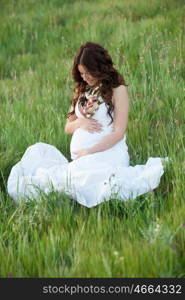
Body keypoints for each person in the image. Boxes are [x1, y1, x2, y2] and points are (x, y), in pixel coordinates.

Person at [7, 42, 168, 208]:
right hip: (83, 157)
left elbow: (119, 132)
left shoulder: (117, 90)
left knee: (92, 177)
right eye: (82, 73)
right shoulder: (81, 90)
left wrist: (89, 151)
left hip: (109, 152)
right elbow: (67, 127)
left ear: (100, 68)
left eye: (88, 72)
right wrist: (80, 122)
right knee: (50, 167)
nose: (85, 77)